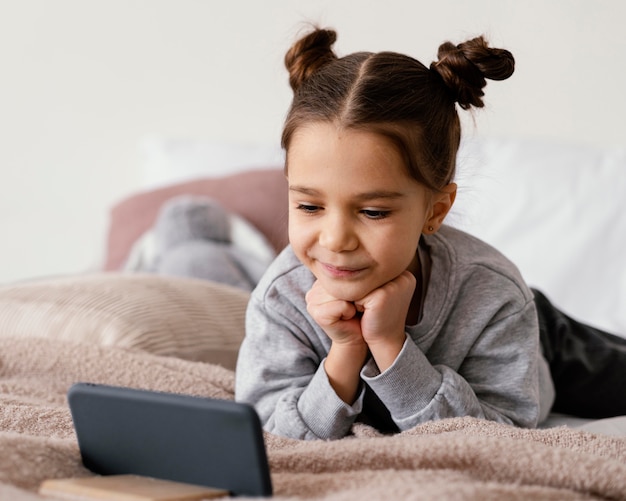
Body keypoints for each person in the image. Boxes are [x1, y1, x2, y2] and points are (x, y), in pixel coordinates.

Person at [235, 27, 626, 440]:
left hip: (541, 343)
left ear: (435, 210)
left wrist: (389, 344)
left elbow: (500, 439)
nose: (335, 240)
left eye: (372, 211)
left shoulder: (494, 298)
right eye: (309, 206)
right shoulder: (281, 299)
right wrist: (347, 352)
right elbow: (269, 437)